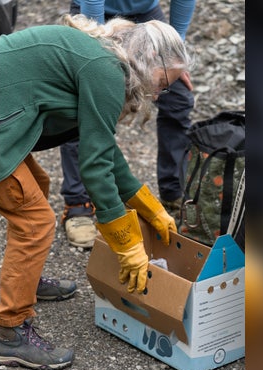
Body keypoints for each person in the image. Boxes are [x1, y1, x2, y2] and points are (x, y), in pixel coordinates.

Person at [0, 14, 191, 370]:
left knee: (36, 188)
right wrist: (127, 244)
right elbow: (95, 166)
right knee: (35, 220)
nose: (162, 93)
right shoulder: (106, 71)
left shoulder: (104, 60)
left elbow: (103, 149)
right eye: (164, 82)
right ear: (150, 62)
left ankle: (26, 279)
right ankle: (10, 332)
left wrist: (149, 207)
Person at [59, 0, 196, 248]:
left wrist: (175, 56)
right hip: (94, 10)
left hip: (146, 14)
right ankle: (78, 203)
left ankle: (173, 191)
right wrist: (100, 60)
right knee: (83, 101)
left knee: (178, 99)